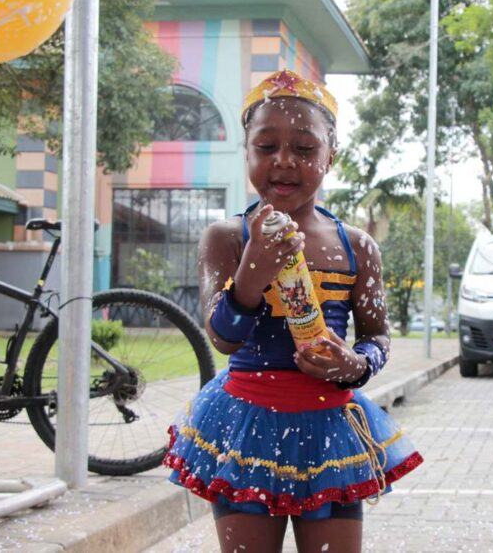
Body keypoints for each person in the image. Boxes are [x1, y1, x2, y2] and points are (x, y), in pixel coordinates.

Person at [163, 70, 422, 552]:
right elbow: (223, 338)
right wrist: (250, 274)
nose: (284, 161)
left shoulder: (357, 248)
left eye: (304, 148)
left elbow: (378, 335)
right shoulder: (227, 238)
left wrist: (356, 364)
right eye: (266, 147)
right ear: (246, 152)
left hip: (330, 429)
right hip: (245, 426)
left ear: (331, 154)